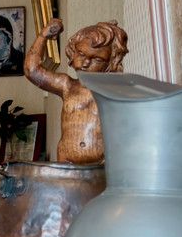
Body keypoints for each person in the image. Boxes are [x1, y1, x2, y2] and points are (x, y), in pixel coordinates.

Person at [25, 18, 128, 164]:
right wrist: (44, 35)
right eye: (81, 54)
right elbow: (32, 70)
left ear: (111, 62)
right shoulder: (67, 85)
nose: (85, 63)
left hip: (101, 167)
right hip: (66, 164)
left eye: (97, 59)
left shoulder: (116, 91)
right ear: (73, 51)